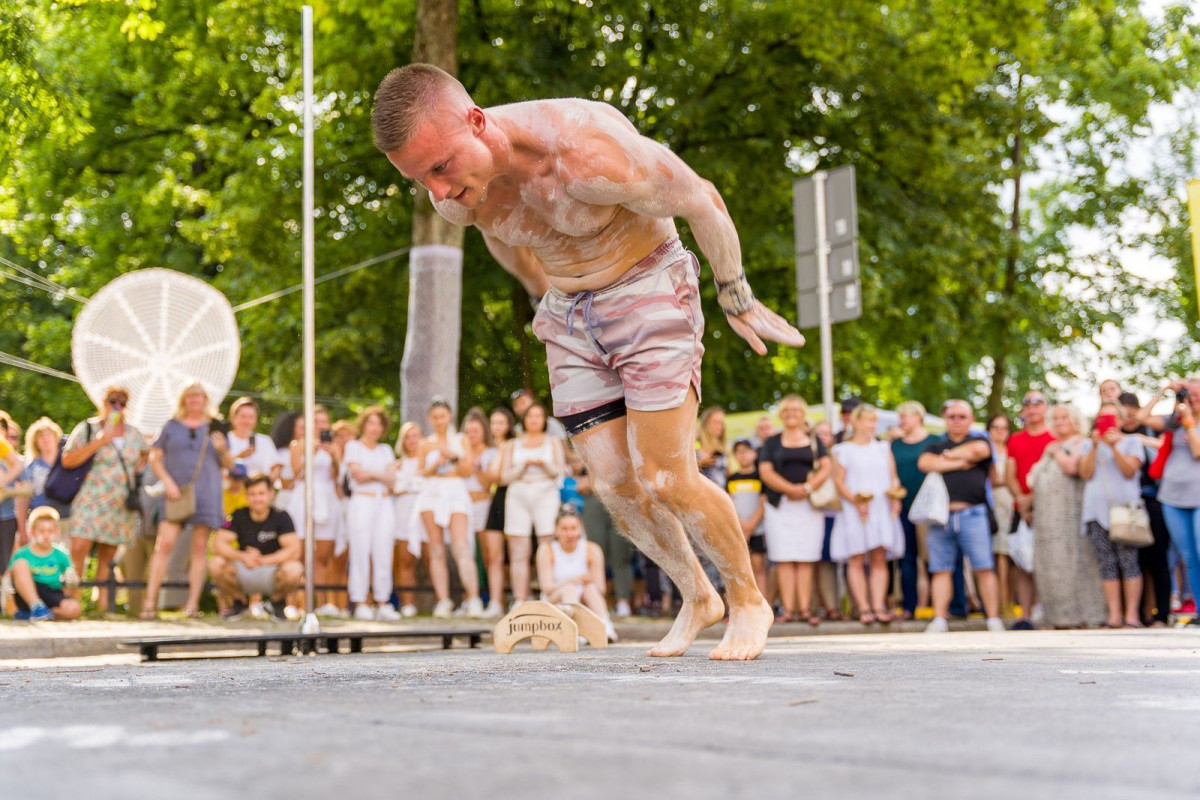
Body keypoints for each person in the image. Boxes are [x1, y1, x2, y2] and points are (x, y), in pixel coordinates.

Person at [373, 64, 804, 659]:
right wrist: (538, 296)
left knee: (663, 474)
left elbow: (701, 197)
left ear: (477, 122)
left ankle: (748, 601)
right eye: (421, 179)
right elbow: (502, 233)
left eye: (440, 167)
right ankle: (697, 595)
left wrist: (737, 296)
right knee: (614, 482)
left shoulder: (585, 152)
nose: (438, 191)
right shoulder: (459, 196)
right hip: (569, 311)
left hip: (647, 285)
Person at [143, 384, 233, 619]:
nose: (195, 400)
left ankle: (192, 605)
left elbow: (230, 465)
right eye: (191, 396)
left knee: (200, 548)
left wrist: (223, 449)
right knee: (164, 544)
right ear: (184, 399)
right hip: (175, 493)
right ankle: (149, 603)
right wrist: (167, 482)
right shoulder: (171, 425)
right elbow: (155, 457)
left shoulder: (216, 426)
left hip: (207, 493)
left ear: (205, 399)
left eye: (199, 396)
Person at [917, 400, 1005, 633]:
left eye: (962, 416)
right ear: (945, 418)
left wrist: (944, 459)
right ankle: (939, 619)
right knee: (940, 568)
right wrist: (959, 460)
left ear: (970, 418)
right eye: (952, 416)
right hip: (941, 517)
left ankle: (993, 619)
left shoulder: (980, 440)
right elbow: (925, 463)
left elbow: (979, 452)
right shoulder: (934, 445)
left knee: (984, 566)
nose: (956, 420)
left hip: (973, 513)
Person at [61, 387, 149, 612]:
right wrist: (100, 441)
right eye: (113, 400)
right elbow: (68, 460)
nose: (117, 405)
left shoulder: (133, 434)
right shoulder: (88, 428)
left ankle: (102, 608)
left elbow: (145, 454)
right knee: (79, 548)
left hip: (119, 502)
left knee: (108, 555)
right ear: (104, 402)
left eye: (122, 401)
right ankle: (72, 602)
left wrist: (136, 473)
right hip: (91, 498)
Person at [1028, 404, 1107, 628]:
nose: (1061, 422)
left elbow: (1073, 469)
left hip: (1070, 513)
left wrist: (1057, 452)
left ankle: (1080, 615)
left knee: (1075, 562)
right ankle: (1055, 615)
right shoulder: (1051, 446)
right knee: (1051, 563)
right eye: (1056, 418)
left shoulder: (1080, 443)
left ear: (1075, 420)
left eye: (1065, 417)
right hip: (1047, 516)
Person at [757, 395, 830, 624]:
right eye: (787, 410)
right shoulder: (771, 442)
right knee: (784, 557)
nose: (792, 413)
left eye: (797, 410)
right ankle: (788, 610)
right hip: (780, 506)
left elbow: (826, 468)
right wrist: (789, 489)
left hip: (809, 506)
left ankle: (806, 609)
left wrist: (807, 488)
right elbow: (766, 471)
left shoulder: (815, 440)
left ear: (803, 414)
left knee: (806, 557)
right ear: (781, 413)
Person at [831, 405, 905, 624]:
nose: (872, 425)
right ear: (855, 422)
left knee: (879, 556)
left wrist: (895, 497)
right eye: (867, 421)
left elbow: (893, 478)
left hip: (881, 508)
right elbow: (839, 482)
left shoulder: (883, 447)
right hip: (856, 509)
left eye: (874, 421)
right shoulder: (843, 450)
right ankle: (863, 608)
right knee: (856, 557)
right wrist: (855, 501)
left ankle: (879, 605)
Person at [1078, 400, 1145, 628]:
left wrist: (1114, 446)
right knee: (1106, 562)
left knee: (1129, 562)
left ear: (1120, 420)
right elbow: (1085, 473)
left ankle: (1132, 616)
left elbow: (1129, 471)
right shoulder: (1089, 445)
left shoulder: (1133, 441)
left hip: (1126, 511)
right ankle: (1114, 616)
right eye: (1102, 418)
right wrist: (1097, 446)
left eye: (1111, 417)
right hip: (1096, 511)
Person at [1139, 378, 1200, 624]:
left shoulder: (1186, 422)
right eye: (1190, 394)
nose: (1192, 399)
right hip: (1172, 497)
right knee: (1189, 558)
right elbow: (1142, 418)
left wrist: (1189, 423)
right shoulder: (1172, 421)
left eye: (1196, 395)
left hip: (1198, 496)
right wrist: (1163, 390)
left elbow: (1197, 451)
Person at [416, 399, 483, 618]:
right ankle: (443, 600)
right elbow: (420, 472)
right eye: (435, 417)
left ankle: (473, 598)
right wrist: (435, 464)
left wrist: (451, 456)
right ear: (430, 419)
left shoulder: (461, 440)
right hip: (432, 492)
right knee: (436, 549)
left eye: (442, 416)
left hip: (455, 490)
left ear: (450, 416)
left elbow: (468, 470)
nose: (439, 421)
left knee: (461, 545)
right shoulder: (425, 444)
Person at [208, 474, 303, 621]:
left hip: (273, 571)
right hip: (245, 568)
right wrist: (242, 556)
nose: (257, 499)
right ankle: (239, 602)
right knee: (215, 564)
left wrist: (263, 560)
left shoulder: (281, 516)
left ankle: (276, 603)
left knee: (295, 569)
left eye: (261, 493)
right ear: (246, 496)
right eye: (252, 494)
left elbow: (294, 550)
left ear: (271, 494)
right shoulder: (238, 515)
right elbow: (218, 544)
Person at [500, 402, 566, 602]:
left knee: (547, 545)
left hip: (545, 492)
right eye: (530, 416)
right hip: (518, 493)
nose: (534, 420)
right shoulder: (513, 444)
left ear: (544, 420)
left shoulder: (552, 441)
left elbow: (560, 472)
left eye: (538, 416)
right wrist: (522, 467)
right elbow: (503, 477)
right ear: (524, 420)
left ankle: (548, 594)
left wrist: (543, 464)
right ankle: (520, 598)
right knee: (519, 550)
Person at [1119, 392, 1171, 626]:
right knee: (1134, 561)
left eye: (1132, 411)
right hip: (1126, 503)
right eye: (1124, 412)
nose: (1128, 417)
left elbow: (1165, 447)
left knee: (1158, 559)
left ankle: (1161, 615)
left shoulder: (1151, 430)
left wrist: (1143, 441)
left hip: (1154, 499)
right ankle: (1138, 614)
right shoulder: (1113, 436)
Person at [342, 405, 398, 621]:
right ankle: (360, 600)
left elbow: (393, 480)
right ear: (364, 424)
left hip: (384, 503)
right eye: (371, 422)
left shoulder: (386, 450)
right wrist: (383, 474)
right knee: (360, 551)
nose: (375, 428)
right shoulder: (353, 447)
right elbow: (358, 475)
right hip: (362, 502)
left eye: (379, 424)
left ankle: (383, 601)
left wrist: (374, 474)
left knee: (384, 552)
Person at [1005, 390, 1054, 629]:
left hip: (1048, 508)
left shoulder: (1054, 437)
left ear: (1047, 407)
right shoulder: (1014, 439)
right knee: (1022, 563)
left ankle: (1046, 612)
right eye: (1027, 403)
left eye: (1038, 402)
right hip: (1020, 509)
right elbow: (1009, 474)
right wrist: (1022, 500)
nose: (1032, 407)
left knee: (1048, 561)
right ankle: (1024, 615)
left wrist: (1033, 498)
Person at [288, 407, 344, 616]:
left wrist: (334, 457)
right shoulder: (298, 446)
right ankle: (294, 604)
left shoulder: (335, 447)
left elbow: (338, 476)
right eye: (316, 421)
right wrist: (312, 451)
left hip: (327, 499)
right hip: (303, 498)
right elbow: (297, 473)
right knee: (299, 554)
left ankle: (322, 604)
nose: (321, 425)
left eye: (324, 421)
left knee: (322, 556)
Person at [535, 504, 618, 642]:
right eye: (564, 529)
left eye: (573, 528)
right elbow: (547, 588)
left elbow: (601, 588)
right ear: (556, 531)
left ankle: (605, 626)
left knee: (591, 589)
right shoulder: (546, 550)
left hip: (585, 599)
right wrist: (573, 580)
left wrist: (588, 582)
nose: (569, 534)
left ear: (580, 529)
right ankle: (576, 628)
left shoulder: (592, 549)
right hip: (557, 599)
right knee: (569, 590)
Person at [571, 445, 634, 617]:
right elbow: (581, 484)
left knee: (621, 555)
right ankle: (597, 601)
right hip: (595, 502)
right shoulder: (591, 446)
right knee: (595, 552)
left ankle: (623, 601)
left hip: (622, 503)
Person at [890, 401, 931, 620]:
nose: (901, 421)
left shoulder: (935, 441)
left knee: (933, 558)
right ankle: (908, 607)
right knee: (906, 559)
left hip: (930, 510)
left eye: (904, 417)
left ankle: (950, 607)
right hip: (903, 508)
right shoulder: (894, 445)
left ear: (918, 416)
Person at [7, 507, 81, 621]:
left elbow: (70, 585)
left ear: (57, 531)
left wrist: (72, 582)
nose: (46, 535)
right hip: (28, 593)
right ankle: (36, 607)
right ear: (32, 532)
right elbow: (10, 577)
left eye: (50, 531)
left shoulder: (62, 555)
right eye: (41, 531)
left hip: (52, 592)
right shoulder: (22, 553)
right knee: (20, 564)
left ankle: (42, 614)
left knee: (74, 609)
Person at [461, 408, 499, 615]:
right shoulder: (461, 452)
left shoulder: (492, 453)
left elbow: (490, 481)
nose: (471, 435)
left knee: (486, 554)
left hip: (484, 504)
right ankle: (470, 597)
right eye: (468, 431)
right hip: (464, 505)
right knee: (466, 553)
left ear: (483, 431)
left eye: (475, 430)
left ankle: (493, 599)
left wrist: (477, 468)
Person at [479, 408, 516, 615]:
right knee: (494, 556)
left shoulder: (512, 445)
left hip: (512, 497)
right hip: (495, 500)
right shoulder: (489, 448)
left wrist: (484, 472)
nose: (496, 427)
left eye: (501, 423)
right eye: (493, 422)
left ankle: (517, 599)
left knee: (515, 554)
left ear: (509, 425)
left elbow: (495, 475)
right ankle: (495, 601)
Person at [728, 437, 768, 602]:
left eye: (746, 451)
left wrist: (751, 525)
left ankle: (762, 604)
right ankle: (742, 604)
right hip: (738, 530)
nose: (742, 456)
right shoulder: (731, 479)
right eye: (739, 452)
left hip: (757, 529)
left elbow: (763, 503)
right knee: (739, 568)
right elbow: (729, 503)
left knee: (758, 567)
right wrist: (741, 525)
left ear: (754, 454)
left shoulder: (760, 476)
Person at [392, 421, 424, 618]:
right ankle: (408, 604)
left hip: (425, 512)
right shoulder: (398, 464)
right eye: (408, 436)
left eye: (416, 435)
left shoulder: (430, 461)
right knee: (405, 560)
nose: (412, 440)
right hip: (403, 512)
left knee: (431, 557)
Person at [986, 413, 1015, 614]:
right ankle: (998, 601)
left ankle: (1008, 599)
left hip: (1011, 504)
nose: (999, 431)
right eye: (995, 427)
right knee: (997, 554)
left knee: (1008, 553)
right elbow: (993, 480)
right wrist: (1009, 479)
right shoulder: (985, 451)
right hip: (992, 505)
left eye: (1003, 428)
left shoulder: (1011, 450)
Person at [225, 397, 281, 484]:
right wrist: (239, 457)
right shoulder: (224, 440)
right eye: (243, 416)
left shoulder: (264, 441)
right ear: (233, 417)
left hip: (258, 495)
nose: (247, 421)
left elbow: (276, 468)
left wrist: (265, 485)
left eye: (251, 417)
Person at [696, 406, 729, 489]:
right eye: (715, 422)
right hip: (699, 495)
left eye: (721, 423)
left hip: (721, 496)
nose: (719, 427)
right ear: (705, 424)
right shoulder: (695, 445)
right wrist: (701, 463)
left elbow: (728, 475)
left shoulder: (724, 449)